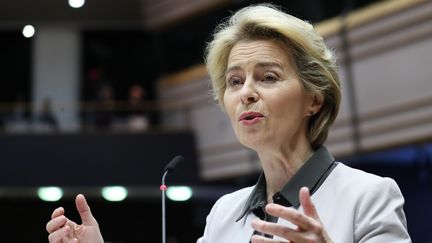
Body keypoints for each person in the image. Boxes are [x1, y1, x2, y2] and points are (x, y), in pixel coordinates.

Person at [46, 4, 411, 243]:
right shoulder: (223, 214)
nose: (246, 93)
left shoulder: (370, 196)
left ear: (314, 99)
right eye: (235, 82)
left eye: (267, 77)